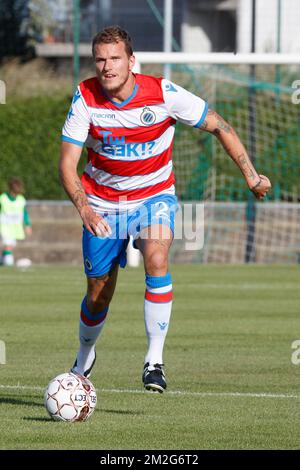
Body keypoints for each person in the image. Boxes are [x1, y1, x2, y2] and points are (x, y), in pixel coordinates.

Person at [59, 26, 271, 393]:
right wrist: (86, 211)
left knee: (157, 256)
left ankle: (154, 361)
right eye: (100, 59)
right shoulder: (84, 98)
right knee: (98, 293)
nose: (107, 67)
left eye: (115, 58)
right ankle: (84, 355)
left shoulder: (163, 93)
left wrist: (251, 176)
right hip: (103, 204)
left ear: (131, 61)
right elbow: (67, 164)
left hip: (154, 197)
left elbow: (219, 125)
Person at [0, 178, 32, 266]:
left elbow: (24, 213)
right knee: (8, 245)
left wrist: (27, 225)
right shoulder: (2, 198)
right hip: (3, 227)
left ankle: (2, 260)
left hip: (15, 228)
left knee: (10, 245)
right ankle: (8, 262)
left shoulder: (21, 200)